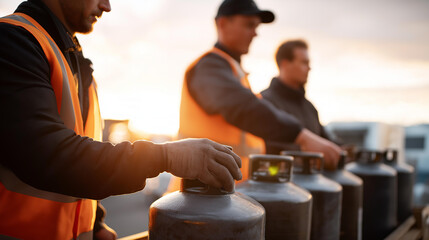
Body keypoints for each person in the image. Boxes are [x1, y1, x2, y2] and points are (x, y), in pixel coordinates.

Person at [0, 0, 242, 239]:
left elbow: (79, 156)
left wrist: (95, 224)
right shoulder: (11, 41)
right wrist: (165, 156)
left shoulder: (73, 61)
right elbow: (45, 155)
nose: (107, 6)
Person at [177, 0, 342, 186]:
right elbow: (242, 106)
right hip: (196, 200)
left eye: (256, 26)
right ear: (222, 24)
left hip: (227, 197)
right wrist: (301, 136)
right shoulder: (208, 69)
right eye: (249, 25)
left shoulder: (234, 73)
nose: (256, 33)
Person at [261, 40, 336, 154]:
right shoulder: (264, 102)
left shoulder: (310, 108)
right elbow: (264, 145)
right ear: (285, 64)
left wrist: (346, 151)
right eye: (304, 63)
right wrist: (306, 150)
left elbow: (326, 141)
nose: (309, 68)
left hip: (315, 173)